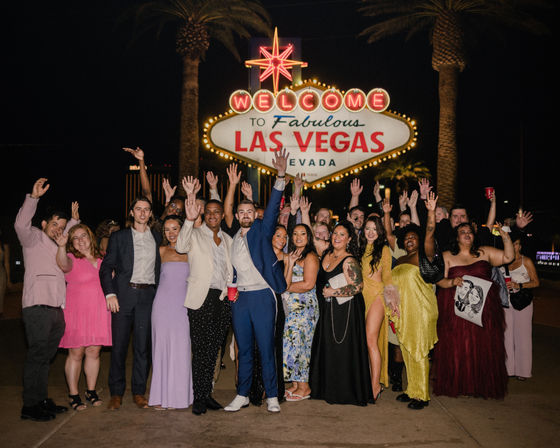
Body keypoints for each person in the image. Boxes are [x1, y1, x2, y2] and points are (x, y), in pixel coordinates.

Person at [224, 148, 288, 414]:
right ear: (238, 216)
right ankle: (242, 394)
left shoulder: (262, 230)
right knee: (244, 350)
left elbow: (272, 208)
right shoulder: (234, 237)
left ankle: (272, 395)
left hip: (263, 296)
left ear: (255, 214)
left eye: (250, 211)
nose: (246, 215)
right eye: (242, 212)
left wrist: (280, 176)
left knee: (265, 347)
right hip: (241, 298)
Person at [15, 178, 79, 421]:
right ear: (43, 223)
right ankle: (29, 406)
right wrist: (33, 198)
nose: (57, 229)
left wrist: (72, 223)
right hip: (37, 308)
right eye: (54, 224)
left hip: (56, 310)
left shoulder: (58, 245)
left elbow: (65, 254)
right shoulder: (32, 239)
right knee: (37, 355)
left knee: (45, 358)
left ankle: (40, 399)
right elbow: (21, 224)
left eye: (62, 226)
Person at [434, 221, 514, 399]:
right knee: (458, 347)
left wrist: (505, 236)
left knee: (482, 347)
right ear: (457, 237)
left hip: (483, 310)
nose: (467, 234)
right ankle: (460, 384)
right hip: (456, 309)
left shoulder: (485, 252)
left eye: (470, 232)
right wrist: (452, 282)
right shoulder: (447, 255)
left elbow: (509, 258)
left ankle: (479, 385)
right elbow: (439, 280)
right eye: (463, 232)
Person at [176, 182, 234, 416]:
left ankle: (207, 393)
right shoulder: (194, 234)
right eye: (208, 211)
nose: (212, 215)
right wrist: (189, 220)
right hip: (201, 299)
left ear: (221, 216)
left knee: (213, 352)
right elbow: (180, 246)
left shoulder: (228, 240)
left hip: (222, 300)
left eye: (216, 212)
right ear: (203, 214)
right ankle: (198, 397)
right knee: (200, 350)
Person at [100, 196, 162, 410]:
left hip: (147, 297)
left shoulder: (157, 237)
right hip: (124, 296)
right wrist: (110, 294)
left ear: (151, 214)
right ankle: (116, 393)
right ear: (131, 212)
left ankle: (138, 392)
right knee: (119, 347)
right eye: (138, 209)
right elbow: (106, 267)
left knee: (143, 348)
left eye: (146, 209)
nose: (143, 213)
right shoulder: (119, 237)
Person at [309, 221, 372, 406]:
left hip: (346, 312)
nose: (337, 237)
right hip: (328, 309)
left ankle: (344, 392)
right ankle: (327, 389)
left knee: (343, 350)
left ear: (349, 239)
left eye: (342, 235)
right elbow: (309, 235)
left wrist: (333, 292)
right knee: (329, 348)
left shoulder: (349, 260)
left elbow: (358, 286)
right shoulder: (327, 254)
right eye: (335, 233)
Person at [389, 192, 439, 410]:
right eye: (406, 238)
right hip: (403, 311)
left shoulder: (424, 255)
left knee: (418, 351)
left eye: (413, 237)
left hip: (421, 310)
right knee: (407, 349)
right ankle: (411, 390)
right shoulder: (400, 259)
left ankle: (423, 395)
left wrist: (430, 211)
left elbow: (429, 231)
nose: (409, 240)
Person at [55, 223, 112, 411]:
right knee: (76, 353)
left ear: (90, 237)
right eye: (75, 238)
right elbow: (63, 265)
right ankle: (73, 394)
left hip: (99, 311)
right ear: (72, 243)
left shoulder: (103, 258)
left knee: (94, 352)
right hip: (77, 312)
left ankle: (91, 391)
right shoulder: (70, 258)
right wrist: (62, 247)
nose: (80, 241)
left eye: (83, 236)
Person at [148, 215, 194, 410]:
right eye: (167, 229)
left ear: (182, 229)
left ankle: (179, 397)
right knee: (160, 349)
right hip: (162, 305)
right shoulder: (160, 251)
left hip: (183, 306)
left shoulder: (192, 250)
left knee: (181, 349)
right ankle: (160, 396)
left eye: (175, 228)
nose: (171, 233)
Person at [249, 225, 288, 405]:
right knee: (257, 346)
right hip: (260, 302)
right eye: (278, 235)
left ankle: (275, 388)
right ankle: (257, 388)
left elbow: (284, 285)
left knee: (274, 347)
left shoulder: (286, 257)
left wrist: (290, 263)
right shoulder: (260, 256)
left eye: (284, 236)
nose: (282, 239)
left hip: (277, 304)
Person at [283, 224, 319, 402]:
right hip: (292, 307)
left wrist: (286, 288)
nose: (298, 237)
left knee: (302, 345)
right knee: (293, 344)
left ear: (308, 237)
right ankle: (296, 384)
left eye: (302, 234)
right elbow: (285, 279)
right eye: (295, 234)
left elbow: (308, 284)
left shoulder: (311, 256)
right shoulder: (293, 255)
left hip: (305, 308)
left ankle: (304, 387)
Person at [360, 216, 393, 402]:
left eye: (374, 229)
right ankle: (368, 381)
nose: (371, 232)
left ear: (380, 231)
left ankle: (375, 386)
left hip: (377, 296)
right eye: (367, 228)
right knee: (365, 341)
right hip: (361, 297)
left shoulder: (384, 249)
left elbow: (388, 277)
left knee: (371, 340)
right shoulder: (360, 249)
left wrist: (392, 302)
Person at [503, 231, 540, 381]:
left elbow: (536, 282)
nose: (514, 247)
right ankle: (508, 369)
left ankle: (523, 371)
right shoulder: (502, 261)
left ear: (520, 246)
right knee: (506, 336)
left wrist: (519, 284)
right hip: (505, 302)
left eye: (517, 244)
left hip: (522, 302)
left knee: (523, 336)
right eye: (512, 243)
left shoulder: (526, 261)